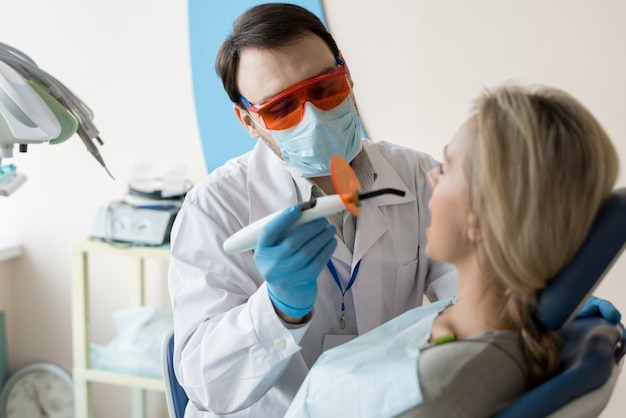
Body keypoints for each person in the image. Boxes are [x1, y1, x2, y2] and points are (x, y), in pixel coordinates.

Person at [167, 3, 458, 417]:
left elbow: (473, 300)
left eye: (325, 89)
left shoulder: (417, 176)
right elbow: (207, 385)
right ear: (248, 121)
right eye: (281, 109)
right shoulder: (214, 209)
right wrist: (278, 310)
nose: (314, 117)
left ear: (348, 76)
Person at [283, 84, 621, 417]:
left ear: (483, 216)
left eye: (444, 168)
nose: (430, 177)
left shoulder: (433, 394)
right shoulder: (465, 321)